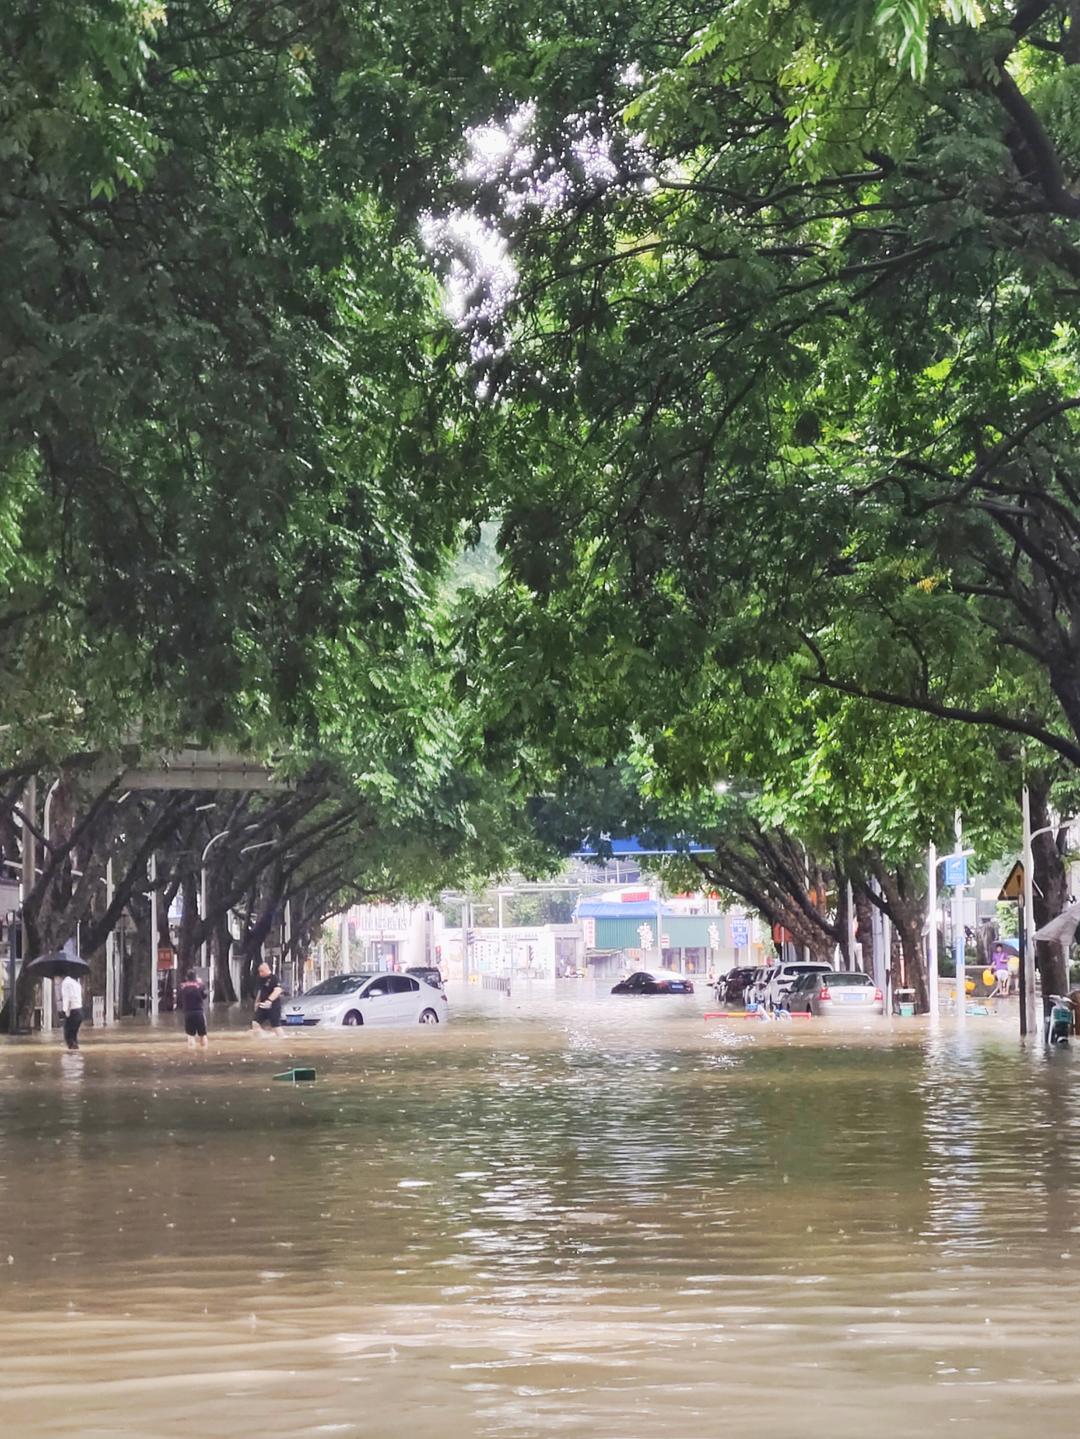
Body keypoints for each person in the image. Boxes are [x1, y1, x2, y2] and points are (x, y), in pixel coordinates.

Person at [252, 961, 284, 1037]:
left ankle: (282, 1038)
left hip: (273, 1006)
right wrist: (256, 1003)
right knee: (255, 1023)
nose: (260, 973)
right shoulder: (260, 979)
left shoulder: (274, 978)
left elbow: (278, 990)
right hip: (262, 1005)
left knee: (276, 1026)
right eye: (259, 971)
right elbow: (260, 991)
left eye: (262, 971)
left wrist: (269, 1000)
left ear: (267, 969)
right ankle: (266, 1037)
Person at [179, 968, 209, 1048]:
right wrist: (200, 982)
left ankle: (191, 1052)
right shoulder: (200, 986)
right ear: (196, 977)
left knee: (190, 1035)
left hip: (188, 1013)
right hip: (199, 1012)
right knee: (203, 1035)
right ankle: (204, 1050)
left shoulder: (182, 986)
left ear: (186, 977)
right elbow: (205, 996)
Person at [58, 973, 84, 1051]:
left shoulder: (65, 983)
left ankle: (71, 1059)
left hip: (72, 1011)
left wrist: (66, 1011)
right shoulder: (76, 983)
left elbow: (67, 998)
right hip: (79, 1011)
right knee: (73, 1036)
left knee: (68, 1036)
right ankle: (76, 1057)